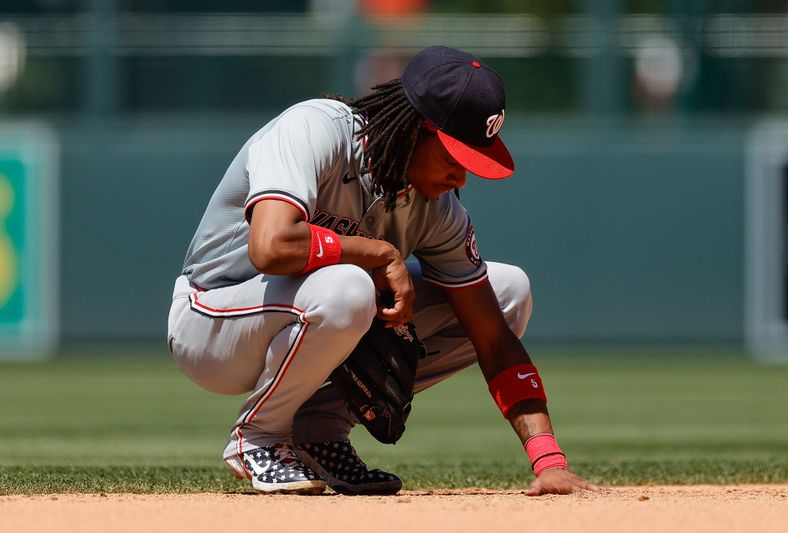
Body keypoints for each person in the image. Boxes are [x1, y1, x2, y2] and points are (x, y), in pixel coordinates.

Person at [167, 45, 600, 496]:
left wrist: (548, 459)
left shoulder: (436, 209)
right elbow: (271, 246)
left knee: (510, 292)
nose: (461, 178)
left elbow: (495, 340)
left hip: (301, 314)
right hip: (212, 318)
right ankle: (258, 437)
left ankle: (320, 431)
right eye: (455, 157)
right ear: (416, 129)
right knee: (349, 287)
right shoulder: (315, 129)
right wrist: (377, 253)